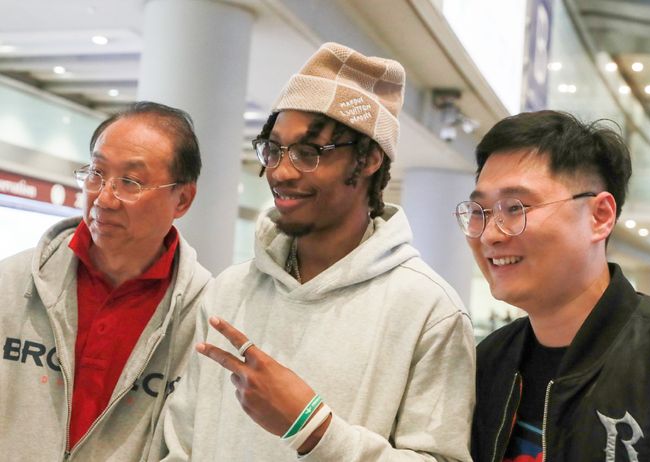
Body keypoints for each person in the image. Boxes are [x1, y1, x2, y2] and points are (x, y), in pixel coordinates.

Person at [153, 42, 475, 461]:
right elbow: (181, 445)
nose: (281, 172)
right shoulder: (229, 291)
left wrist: (313, 429)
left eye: (308, 153)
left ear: (369, 159)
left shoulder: (430, 310)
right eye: (273, 150)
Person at [0, 101, 211, 460]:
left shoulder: (204, 318)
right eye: (96, 173)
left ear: (183, 200)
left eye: (130, 182)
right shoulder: (12, 282)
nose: (104, 198)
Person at [458, 110, 650, 461]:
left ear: (599, 216)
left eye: (516, 207)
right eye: (481, 211)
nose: (490, 235)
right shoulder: (490, 362)